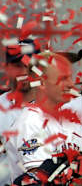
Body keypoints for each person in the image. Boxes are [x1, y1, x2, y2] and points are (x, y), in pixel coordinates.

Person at [3, 51, 82, 185]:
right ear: (42, 83)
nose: (71, 84)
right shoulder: (30, 122)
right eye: (63, 79)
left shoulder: (69, 119)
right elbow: (38, 181)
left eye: (70, 78)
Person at [0, 39, 40, 185]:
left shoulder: (56, 107)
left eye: (29, 65)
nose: (24, 72)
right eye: (18, 66)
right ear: (7, 67)